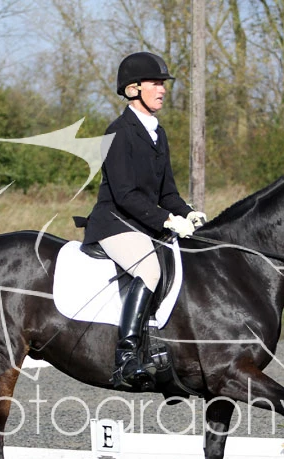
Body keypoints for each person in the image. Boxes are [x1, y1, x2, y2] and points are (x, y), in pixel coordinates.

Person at [81, 51, 207, 388]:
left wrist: (187, 213)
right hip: (115, 223)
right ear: (133, 89)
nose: (163, 89)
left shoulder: (157, 133)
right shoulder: (118, 132)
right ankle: (126, 357)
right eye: (155, 83)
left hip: (144, 223)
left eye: (163, 84)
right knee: (149, 269)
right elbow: (125, 195)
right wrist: (167, 220)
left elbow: (168, 192)